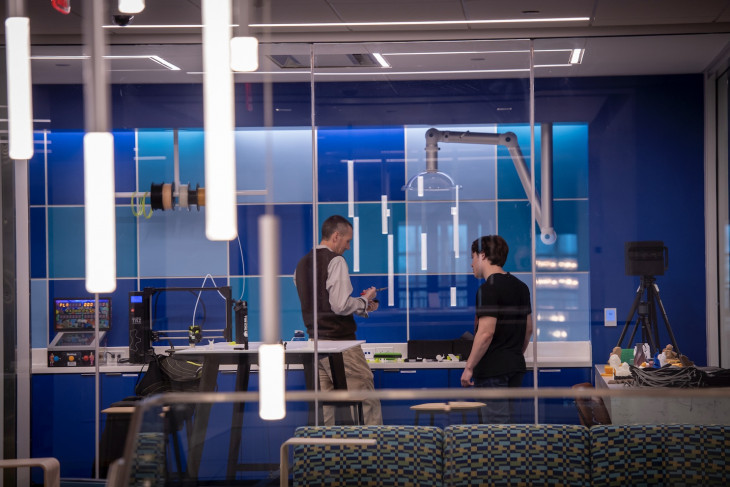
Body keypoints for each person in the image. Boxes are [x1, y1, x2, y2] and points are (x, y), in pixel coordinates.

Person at [294, 214, 383, 425]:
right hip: (340, 346)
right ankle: (375, 455)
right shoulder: (336, 260)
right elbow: (340, 305)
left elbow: (320, 303)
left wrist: (361, 305)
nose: (348, 247)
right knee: (365, 402)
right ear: (336, 236)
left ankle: (329, 456)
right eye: (347, 241)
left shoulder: (301, 264)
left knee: (326, 412)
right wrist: (364, 300)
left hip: (315, 346)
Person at [460, 235, 533, 423]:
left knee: (495, 433)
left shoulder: (488, 288)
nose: (471, 264)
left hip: (492, 370)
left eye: (473, 257)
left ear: (482, 255)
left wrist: (469, 367)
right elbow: (528, 330)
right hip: (515, 367)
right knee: (509, 428)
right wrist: (513, 354)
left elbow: (486, 333)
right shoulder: (521, 287)